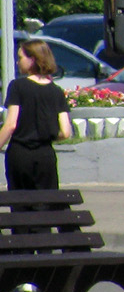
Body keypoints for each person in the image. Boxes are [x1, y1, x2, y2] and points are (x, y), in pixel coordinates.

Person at [0, 40, 74, 195]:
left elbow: (11, 125)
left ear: (32, 59)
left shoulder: (18, 86)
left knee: (20, 203)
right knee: (46, 204)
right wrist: (46, 135)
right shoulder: (56, 91)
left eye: (20, 57)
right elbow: (65, 132)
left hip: (20, 154)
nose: (18, 61)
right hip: (45, 155)